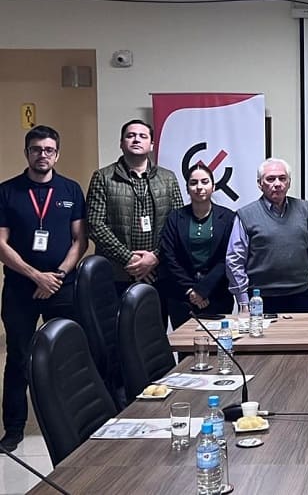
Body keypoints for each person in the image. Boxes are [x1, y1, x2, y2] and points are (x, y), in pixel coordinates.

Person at [0, 126, 88, 452]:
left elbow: (81, 240)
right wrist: (37, 276)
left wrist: (58, 276)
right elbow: (1, 244)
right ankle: (13, 428)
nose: (43, 155)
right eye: (36, 149)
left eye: (49, 149)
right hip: (21, 289)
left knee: (65, 354)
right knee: (19, 357)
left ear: (57, 154)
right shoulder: (7, 192)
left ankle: (73, 419)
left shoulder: (70, 190)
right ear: (27, 153)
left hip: (62, 288)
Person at [86, 119, 183, 324]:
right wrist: (130, 260)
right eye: (130, 136)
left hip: (158, 274)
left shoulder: (168, 178)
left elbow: (177, 225)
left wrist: (155, 258)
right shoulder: (103, 177)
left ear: (151, 144)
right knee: (119, 339)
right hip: (117, 275)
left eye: (142, 136)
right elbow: (95, 224)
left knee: (154, 335)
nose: (136, 139)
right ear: (121, 143)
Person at [226, 158, 308, 314]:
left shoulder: (304, 209)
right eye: (270, 179)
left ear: (289, 182)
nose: (277, 183)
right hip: (261, 298)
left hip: (301, 294)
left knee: (302, 338)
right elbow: (234, 260)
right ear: (260, 184)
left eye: (282, 178)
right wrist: (243, 301)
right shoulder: (246, 215)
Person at [159, 164, 235, 329]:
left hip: (217, 294)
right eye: (193, 183)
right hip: (182, 297)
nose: (199, 187)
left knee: (220, 346)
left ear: (213, 187)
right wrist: (191, 291)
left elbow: (228, 257)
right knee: (185, 348)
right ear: (187, 188)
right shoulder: (175, 218)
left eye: (204, 182)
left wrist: (203, 290)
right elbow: (169, 256)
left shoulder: (228, 217)